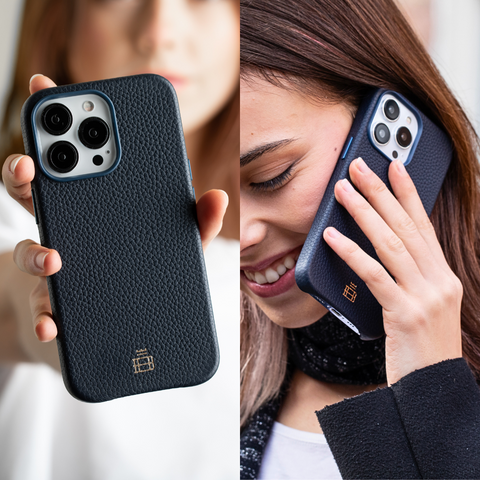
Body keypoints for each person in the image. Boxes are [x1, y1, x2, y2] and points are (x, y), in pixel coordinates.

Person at [239, 0, 480, 478]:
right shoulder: (217, 374)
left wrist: (434, 391)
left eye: (272, 177)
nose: (240, 235)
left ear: (386, 124)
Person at [0, 0, 239, 478]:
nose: (159, 32)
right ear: (58, 21)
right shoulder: (12, 216)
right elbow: (9, 306)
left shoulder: (279, 237)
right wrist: (54, 332)